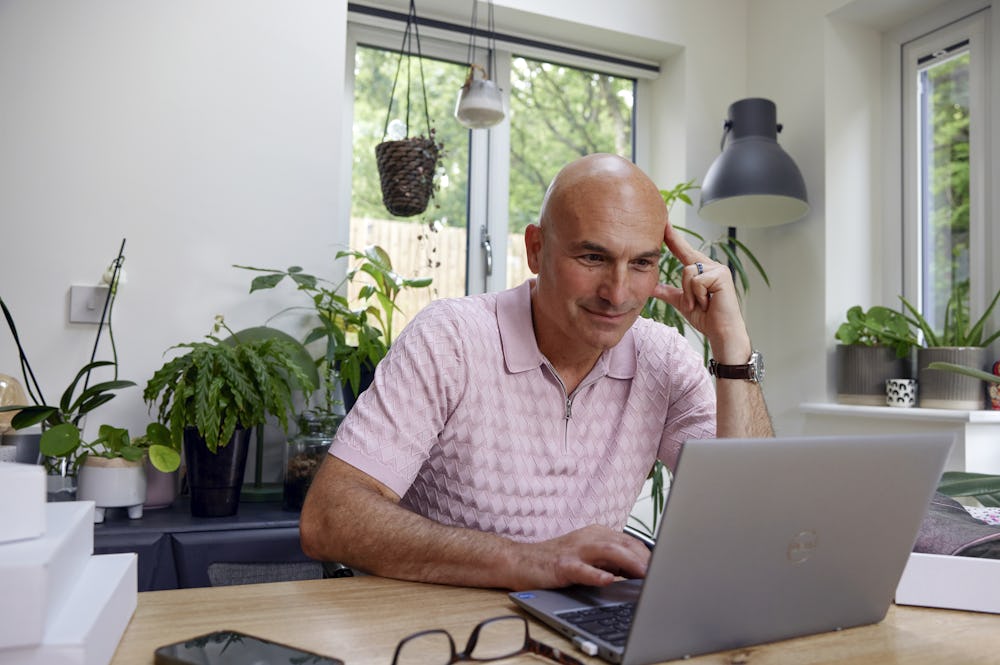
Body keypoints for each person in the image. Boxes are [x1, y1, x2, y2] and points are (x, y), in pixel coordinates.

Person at [300, 153, 773, 591]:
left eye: (642, 263)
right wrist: (530, 561)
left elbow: (751, 517)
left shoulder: (663, 358)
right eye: (593, 257)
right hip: (435, 631)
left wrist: (732, 349)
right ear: (535, 248)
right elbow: (329, 519)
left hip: (575, 631)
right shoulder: (452, 340)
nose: (618, 292)